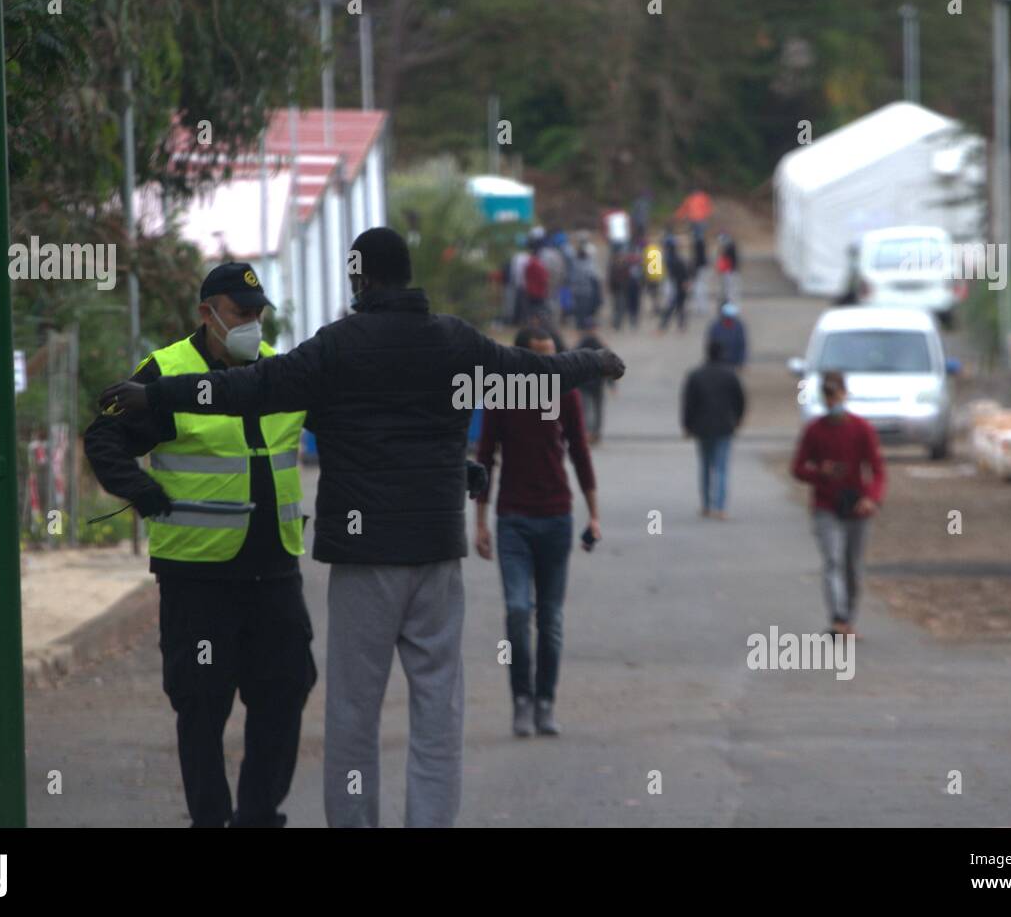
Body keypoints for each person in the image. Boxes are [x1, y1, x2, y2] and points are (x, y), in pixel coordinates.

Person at [97, 228, 625, 828]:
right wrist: (594, 361)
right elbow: (534, 372)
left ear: (362, 278)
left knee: (353, 714)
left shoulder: (335, 349)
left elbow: (246, 388)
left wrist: (155, 395)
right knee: (436, 709)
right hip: (434, 558)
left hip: (364, 559)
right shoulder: (454, 341)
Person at [84, 262, 316, 828]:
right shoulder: (165, 371)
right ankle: (211, 819)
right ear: (206, 313)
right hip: (198, 579)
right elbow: (104, 435)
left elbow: (356, 432)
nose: (251, 326)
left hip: (274, 573)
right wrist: (139, 490)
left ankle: (259, 816)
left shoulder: (279, 376)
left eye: (258, 315)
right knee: (202, 703)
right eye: (240, 314)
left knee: (284, 694)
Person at [474, 326, 601, 737]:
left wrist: (594, 515)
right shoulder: (501, 395)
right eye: (539, 355)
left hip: (556, 518)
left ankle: (545, 700)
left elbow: (580, 454)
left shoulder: (567, 395)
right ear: (520, 358)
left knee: (550, 618)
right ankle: (521, 701)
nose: (549, 363)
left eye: (553, 355)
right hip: (513, 521)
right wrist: (480, 521)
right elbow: (485, 459)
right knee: (516, 612)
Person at [789, 371, 886, 637]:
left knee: (852, 565)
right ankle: (837, 616)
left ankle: (848, 619)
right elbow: (797, 468)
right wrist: (820, 471)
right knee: (832, 560)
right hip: (826, 506)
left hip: (856, 505)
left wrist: (871, 498)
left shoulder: (861, 429)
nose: (832, 401)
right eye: (828, 396)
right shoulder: (815, 430)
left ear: (844, 394)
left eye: (836, 395)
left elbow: (877, 469)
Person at [681, 339, 746, 519]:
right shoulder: (730, 375)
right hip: (725, 425)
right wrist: (738, 418)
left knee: (705, 466)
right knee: (722, 467)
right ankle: (720, 507)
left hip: (701, 427)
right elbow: (740, 399)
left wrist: (687, 425)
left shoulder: (696, 375)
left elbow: (688, 403)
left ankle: (706, 505)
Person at [575, 330, 610, 444]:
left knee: (587, 410)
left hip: (585, 384)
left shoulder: (580, 347)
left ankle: (588, 433)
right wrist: (611, 383)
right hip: (597, 384)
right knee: (596, 410)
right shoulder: (601, 346)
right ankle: (595, 433)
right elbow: (610, 365)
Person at [658, 233, 691, 332]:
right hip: (677, 283)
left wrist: (684, 281)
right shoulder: (673, 257)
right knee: (679, 305)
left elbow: (680, 270)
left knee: (674, 305)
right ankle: (679, 326)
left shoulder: (671, 258)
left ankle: (665, 325)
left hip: (677, 284)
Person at [570, 243, 603, 330]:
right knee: (584, 309)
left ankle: (579, 324)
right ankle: (582, 325)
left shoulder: (574, 263)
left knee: (578, 309)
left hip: (576, 290)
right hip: (585, 291)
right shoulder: (588, 265)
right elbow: (594, 277)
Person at [706, 301, 748, 367]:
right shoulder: (715, 327)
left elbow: (742, 345)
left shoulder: (738, 327)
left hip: (734, 361)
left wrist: (741, 361)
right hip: (719, 362)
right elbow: (711, 345)